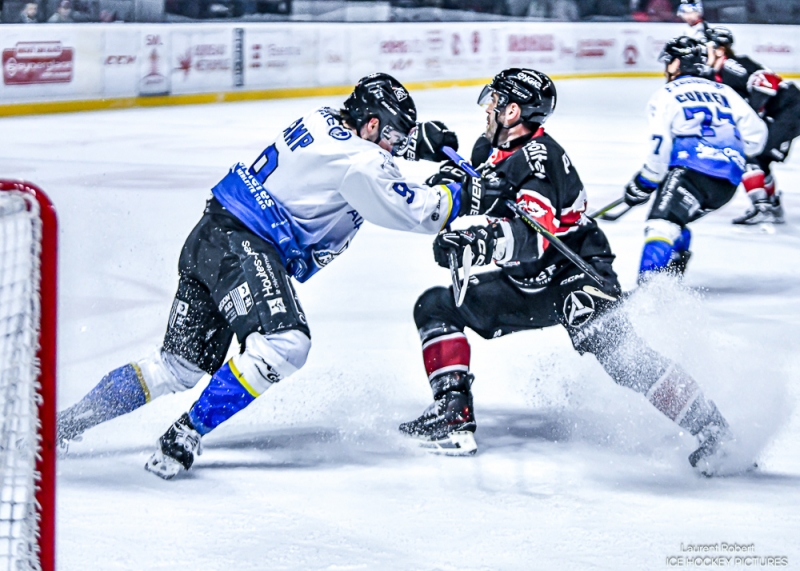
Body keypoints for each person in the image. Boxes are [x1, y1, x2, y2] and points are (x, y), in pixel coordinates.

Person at [57, 73, 501, 480]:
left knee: (177, 366)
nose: (394, 147)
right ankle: (186, 432)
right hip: (243, 246)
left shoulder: (322, 118)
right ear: (371, 125)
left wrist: (413, 144)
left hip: (210, 236)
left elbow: (363, 155)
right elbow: (419, 212)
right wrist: (459, 190)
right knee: (286, 343)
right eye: (392, 136)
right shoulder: (362, 161)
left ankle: (63, 425)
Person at [399, 67, 737, 475]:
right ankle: (453, 415)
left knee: (624, 358)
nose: (486, 108)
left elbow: (533, 240)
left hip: (575, 274)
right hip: (525, 284)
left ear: (512, 111)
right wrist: (428, 151)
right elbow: (471, 181)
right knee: (436, 307)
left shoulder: (540, 162)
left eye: (494, 101)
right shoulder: (490, 147)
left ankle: (713, 430)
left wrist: (477, 243)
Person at [622, 36, 766, 280]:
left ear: (677, 63)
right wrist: (725, 153)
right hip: (726, 183)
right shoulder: (726, 91)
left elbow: (660, 144)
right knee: (675, 221)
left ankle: (646, 292)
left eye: (669, 61)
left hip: (691, 172)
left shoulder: (666, 94)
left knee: (661, 224)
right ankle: (672, 273)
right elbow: (757, 137)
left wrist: (644, 182)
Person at [704, 27, 798, 225]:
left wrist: (753, 115)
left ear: (720, 50)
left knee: (746, 152)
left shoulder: (731, 65)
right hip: (785, 112)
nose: (703, 53)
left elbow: (767, 83)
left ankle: (762, 206)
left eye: (707, 48)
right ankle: (772, 205)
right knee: (761, 159)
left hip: (788, 110)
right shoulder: (717, 73)